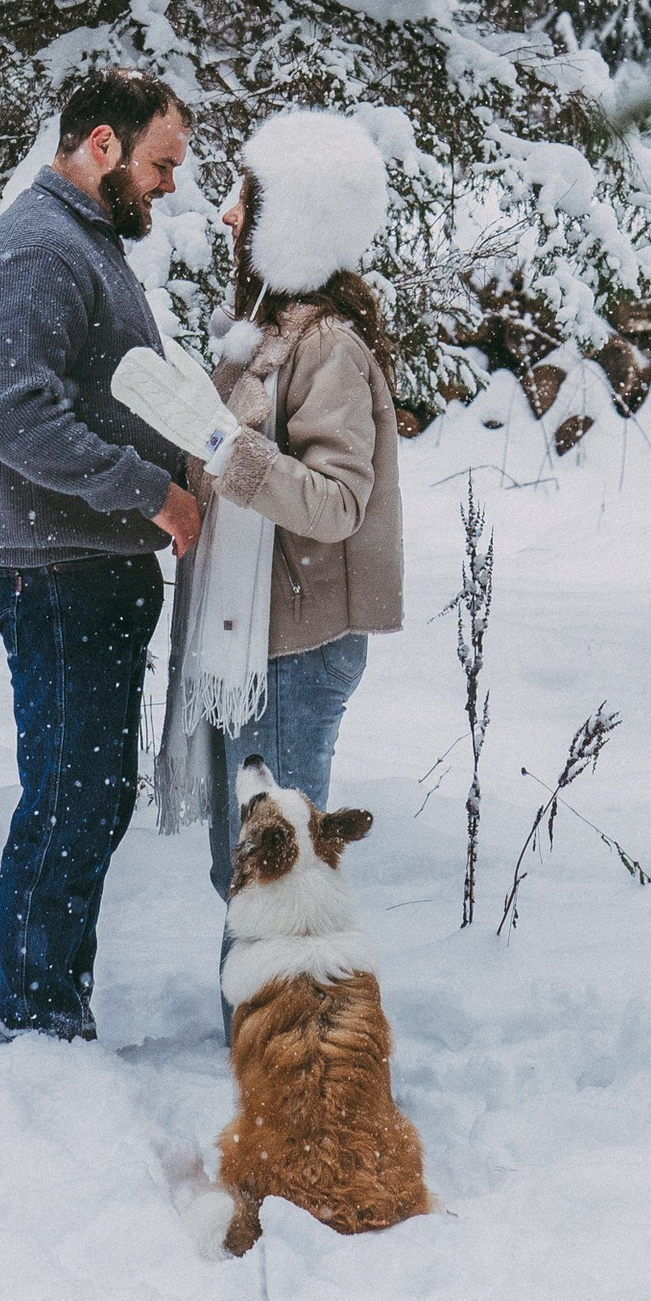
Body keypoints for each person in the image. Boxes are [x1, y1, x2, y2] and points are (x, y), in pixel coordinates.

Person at [0, 69, 200, 1042]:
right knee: (72, 797)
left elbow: (111, 395)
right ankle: (34, 1021)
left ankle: (49, 1006)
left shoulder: (80, 243)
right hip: (57, 574)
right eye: (159, 165)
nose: (170, 186)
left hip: (84, 568)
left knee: (87, 796)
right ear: (101, 145)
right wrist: (153, 493)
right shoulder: (39, 252)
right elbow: (17, 419)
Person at [180, 110, 406, 903]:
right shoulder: (269, 334)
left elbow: (339, 501)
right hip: (257, 637)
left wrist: (226, 452)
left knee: (272, 880)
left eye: (247, 196)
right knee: (245, 873)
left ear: (292, 220)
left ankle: (283, 1030)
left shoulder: (327, 345)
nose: (227, 214)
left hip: (294, 649)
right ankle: (258, 1029)